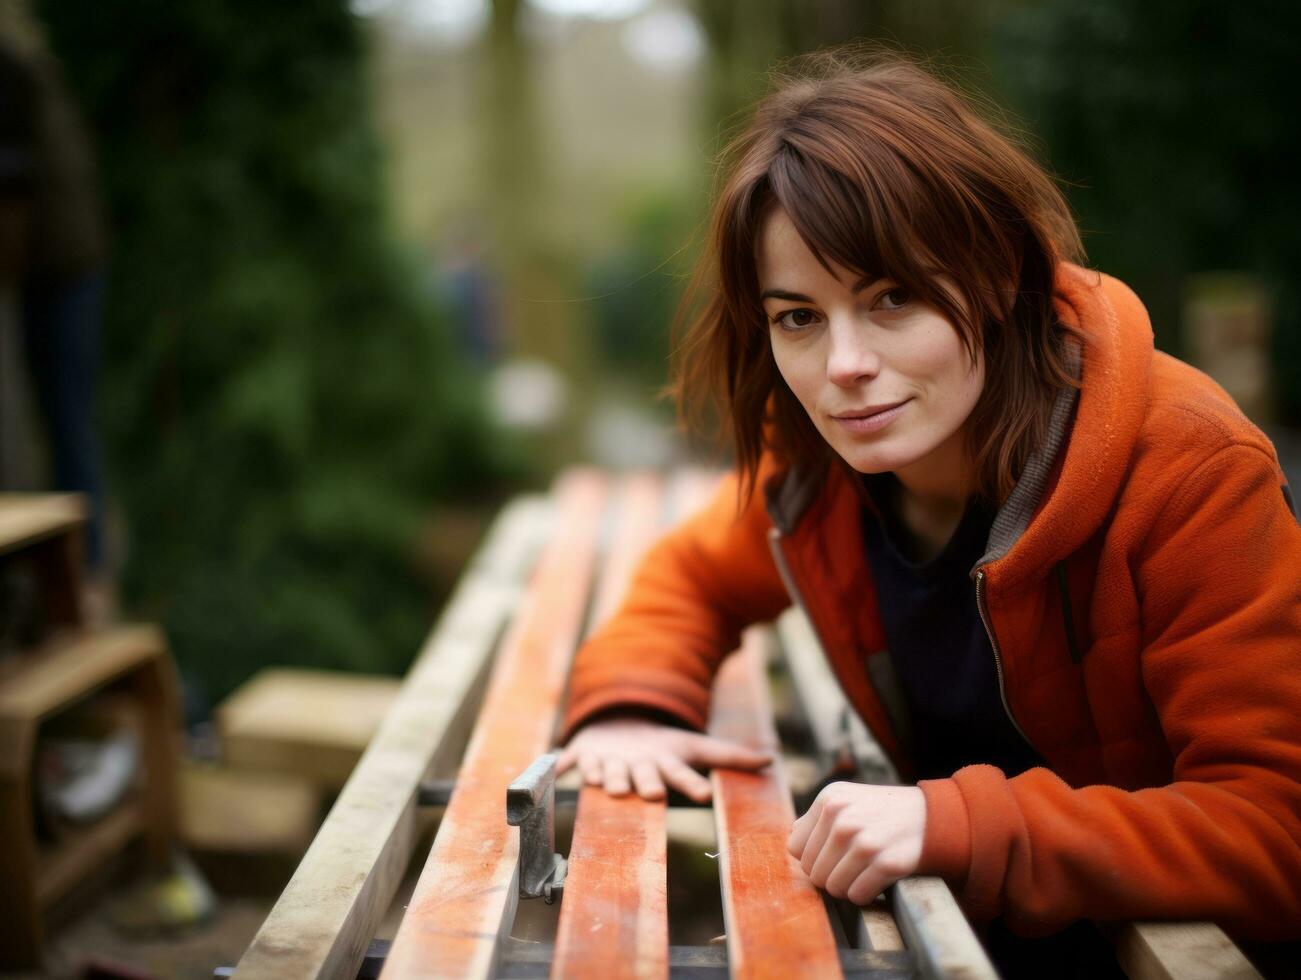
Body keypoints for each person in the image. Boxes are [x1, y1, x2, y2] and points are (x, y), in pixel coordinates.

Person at [554, 50, 1301, 958]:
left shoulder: (1186, 472)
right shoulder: (818, 468)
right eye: (797, 317)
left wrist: (955, 822)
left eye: (892, 298)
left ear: (995, 277)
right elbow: (692, 574)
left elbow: (1275, 830)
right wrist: (632, 703)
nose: (843, 368)